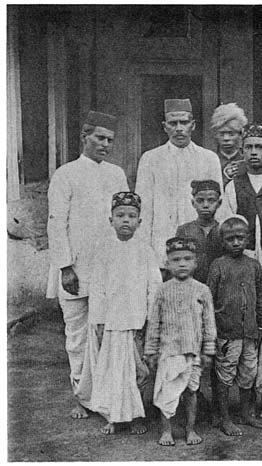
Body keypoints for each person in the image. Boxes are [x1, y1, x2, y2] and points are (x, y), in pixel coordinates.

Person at [46, 110, 129, 419]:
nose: (105, 144)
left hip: (108, 267)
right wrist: (65, 267)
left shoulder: (116, 174)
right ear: (85, 136)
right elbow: (56, 223)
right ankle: (81, 396)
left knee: (107, 334)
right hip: (76, 268)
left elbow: (124, 221)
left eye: (110, 140)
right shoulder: (66, 174)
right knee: (78, 335)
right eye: (99, 138)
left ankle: (106, 398)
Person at [216, 123, 262, 419]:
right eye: (249, 147)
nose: (254, 152)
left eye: (260, 147)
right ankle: (244, 399)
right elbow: (227, 228)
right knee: (245, 334)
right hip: (243, 266)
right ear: (242, 151)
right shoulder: (233, 186)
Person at [80, 192, 161, 435]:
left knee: (138, 371)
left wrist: (150, 319)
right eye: (120, 215)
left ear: (140, 221)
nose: (126, 220)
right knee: (114, 371)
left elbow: (153, 287)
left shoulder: (145, 251)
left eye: (131, 216)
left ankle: (136, 415)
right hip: (113, 323)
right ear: (110, 219)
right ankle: (114, 415)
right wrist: (100, 322)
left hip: (136, 321)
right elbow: (98, 288)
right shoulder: (104, 249)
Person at [144, 237, 217, 446]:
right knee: (167, 393)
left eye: (187, 259)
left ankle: (190, 429)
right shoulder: (162, 290)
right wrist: (151, 351)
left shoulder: (202, 290)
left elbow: (209, 322)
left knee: (191, 391)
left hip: (192, 351)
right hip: (169, 351)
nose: (182, 263)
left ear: (196, 263)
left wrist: (208, 351)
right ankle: (166, 430)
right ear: (167, 264)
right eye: (176, 260)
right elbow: (154, 323)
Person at [135, 98, 222, 270]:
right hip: (161, 244)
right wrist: (144, 250)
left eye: (184, 122)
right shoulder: (150, 159)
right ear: (165, 126)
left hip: (200, 245)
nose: (179, 128)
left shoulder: (208, 158)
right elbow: (143, 209)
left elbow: (219, 206)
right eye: (173, 123)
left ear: (193, 125)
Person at [207, 217, 262, 435]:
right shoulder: (218, 266)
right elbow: (209, 300)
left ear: (248, 239)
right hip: (227, 333)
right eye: (230, 239)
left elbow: (261, 294)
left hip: (250, 332)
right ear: (222, 241)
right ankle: (224, 418)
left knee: (248, 373)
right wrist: (212, 331)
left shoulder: (253, 265)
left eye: (240, 238)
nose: (235, 243)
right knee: (225, 374)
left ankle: (246, 412)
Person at [175, 180, 224, 284]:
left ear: (219, 203)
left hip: (219, 288)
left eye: (211, 200)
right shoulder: (184, 231)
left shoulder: (223, 230)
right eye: (200, 200)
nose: (205, 205)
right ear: (193, 203)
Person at [210, 103, 248, 186]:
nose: (226, 138)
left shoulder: (247, 161)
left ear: (240, 135)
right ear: (215, 135)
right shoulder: (209, 161)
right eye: (221, 134)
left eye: (231, 134)